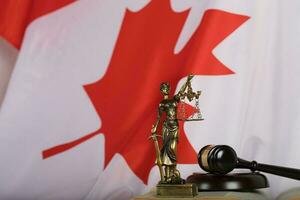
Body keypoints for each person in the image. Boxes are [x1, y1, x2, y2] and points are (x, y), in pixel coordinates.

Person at [151, 75, 196, 184]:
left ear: (169, 89)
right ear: (161, 91)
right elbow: (158, 117)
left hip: (175, 127)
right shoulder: (162, 103)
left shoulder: (174, 99)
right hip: (166, 127)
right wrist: (155, 129)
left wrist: (188, 80)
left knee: (173, 151)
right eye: (163, 88)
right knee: (166, 151)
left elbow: (181, 91)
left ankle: (172, 175)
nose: (165, 89)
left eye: (167, 88)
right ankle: (167, 177)